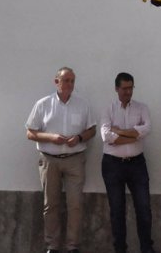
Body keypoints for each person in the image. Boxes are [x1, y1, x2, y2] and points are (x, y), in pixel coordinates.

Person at [26, 67, 96, 253]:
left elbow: (92, 130)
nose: (70, 84)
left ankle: (72, 246)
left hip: (75, 160)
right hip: (50, 160)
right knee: (51, 205)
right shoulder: (43, 104)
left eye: (72, 81)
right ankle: (53, 246)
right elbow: (30, 132)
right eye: (66, 80)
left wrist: (80, 138)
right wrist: (51, 138)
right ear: (56, 81)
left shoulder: (82, 104)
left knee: (75, 204)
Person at [100, 72, 156, 253]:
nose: (128, 92)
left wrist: (120, 132)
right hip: (112, 165)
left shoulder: (142, 108)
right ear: (116, 89)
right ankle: (120, 250)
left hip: (136, 164)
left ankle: (147, 249)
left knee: (144, 209)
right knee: (117, 210)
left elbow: (147, 129)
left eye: (130, 88)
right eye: (124, 88)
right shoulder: (108, 108)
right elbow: (106, 136)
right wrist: (133, 136)